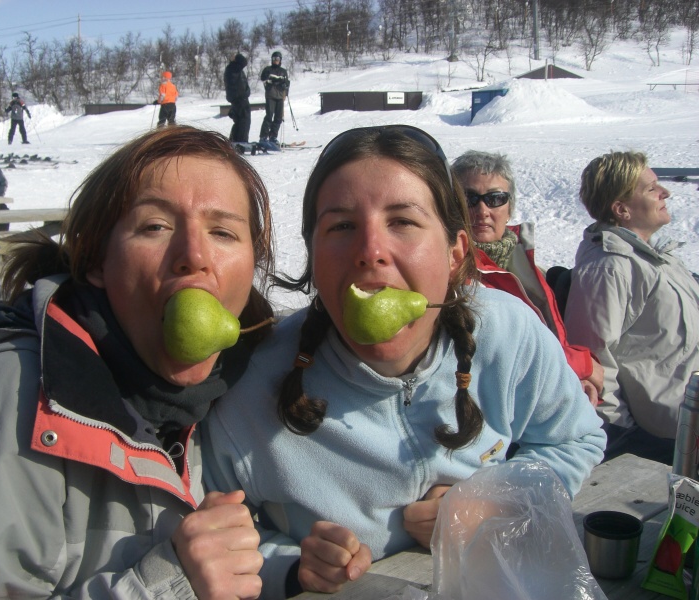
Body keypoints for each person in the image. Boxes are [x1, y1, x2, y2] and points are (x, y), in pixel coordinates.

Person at [201, 125, 606, 599]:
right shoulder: (250, 387)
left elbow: (575, 439)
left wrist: (490, 503)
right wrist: (294, 568)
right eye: (342, 226)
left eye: (403, 222)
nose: (370, 251)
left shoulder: (508, 332)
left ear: (456, 254)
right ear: (313, 254)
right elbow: (216, 533)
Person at [0, 125, 275, 599]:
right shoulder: (2, 407)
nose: (194, 256)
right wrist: (165, 586)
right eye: (156, 226)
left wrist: (295, 565)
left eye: (223, 232)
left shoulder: (224, 399)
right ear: (97, 260)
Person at [565, 150, 699, 464]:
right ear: (621, 209)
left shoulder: (656, 258)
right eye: (652, 188)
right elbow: (593, 358)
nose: (665, 192)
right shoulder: (609, 268)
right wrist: (624, 437)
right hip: (669, 430)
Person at [451, 150, 604, 406]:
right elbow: (501, 352)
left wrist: (577, 377)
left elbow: (552, 334)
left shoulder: (521, 258)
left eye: (495, 198)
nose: (483, 210)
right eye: (470, 198)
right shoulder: (453, 272)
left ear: (510, 207)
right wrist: (579, 365)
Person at [259, 51, 290, 148]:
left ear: (280, 60)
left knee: (278, 117)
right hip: (271, 95)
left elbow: (287, 83)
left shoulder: (283, 71)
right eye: (274, 59)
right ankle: (263, 136)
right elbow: (263, 78)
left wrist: (285, 91)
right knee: (269, 115)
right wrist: (271, 79)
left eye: (278, 59)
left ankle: (273, 136)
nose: (276, 61)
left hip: (280, 96)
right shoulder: (268, 69)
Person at [224, 53, 251, 144]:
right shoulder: (233, 68)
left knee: (239, 121)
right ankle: (241, 142)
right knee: (244, 121)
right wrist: (237, 56)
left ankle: (233, 141)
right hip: (239, 98)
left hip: (238, 98)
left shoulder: (233, 69)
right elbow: (244, 61)